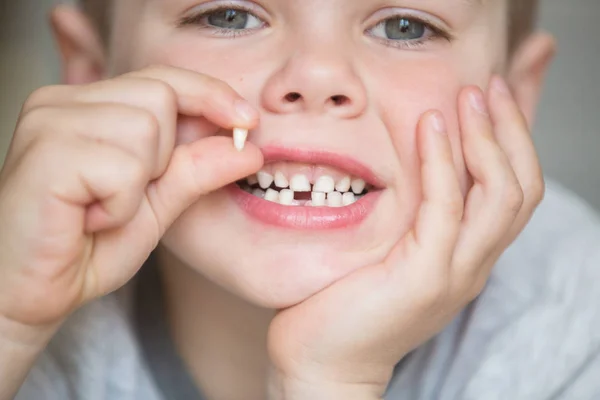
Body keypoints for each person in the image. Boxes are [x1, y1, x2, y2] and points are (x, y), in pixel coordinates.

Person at [1, 0, 599, 398]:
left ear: (514, 101)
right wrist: (8, 326)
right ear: (91, 70)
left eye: (405, 27)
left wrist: (330, 381)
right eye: (230, 16)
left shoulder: (573, 328)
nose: (316, 76)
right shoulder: (25, 285)